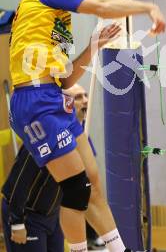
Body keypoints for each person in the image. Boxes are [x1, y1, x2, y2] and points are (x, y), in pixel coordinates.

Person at [8, 0, 166, 252]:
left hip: (53, 94)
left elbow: (66, 79)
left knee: (92, 184)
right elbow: (102, 6)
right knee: (76, 188)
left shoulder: (57, 20)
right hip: (34, 100)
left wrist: (93, 46)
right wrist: (146, 8)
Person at [63, 84, 104, 250]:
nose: (86, 100)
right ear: (67, 103)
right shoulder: (64, 132)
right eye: (78, 97)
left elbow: (90, 161)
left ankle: (92, 236)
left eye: (85, 95)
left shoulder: (82, 130)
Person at [1, 145, 64, 252]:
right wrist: (17, 223)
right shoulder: (39, 142)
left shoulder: (76, 138)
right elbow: (20, 183)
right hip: (27, 215)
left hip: (53, 213)